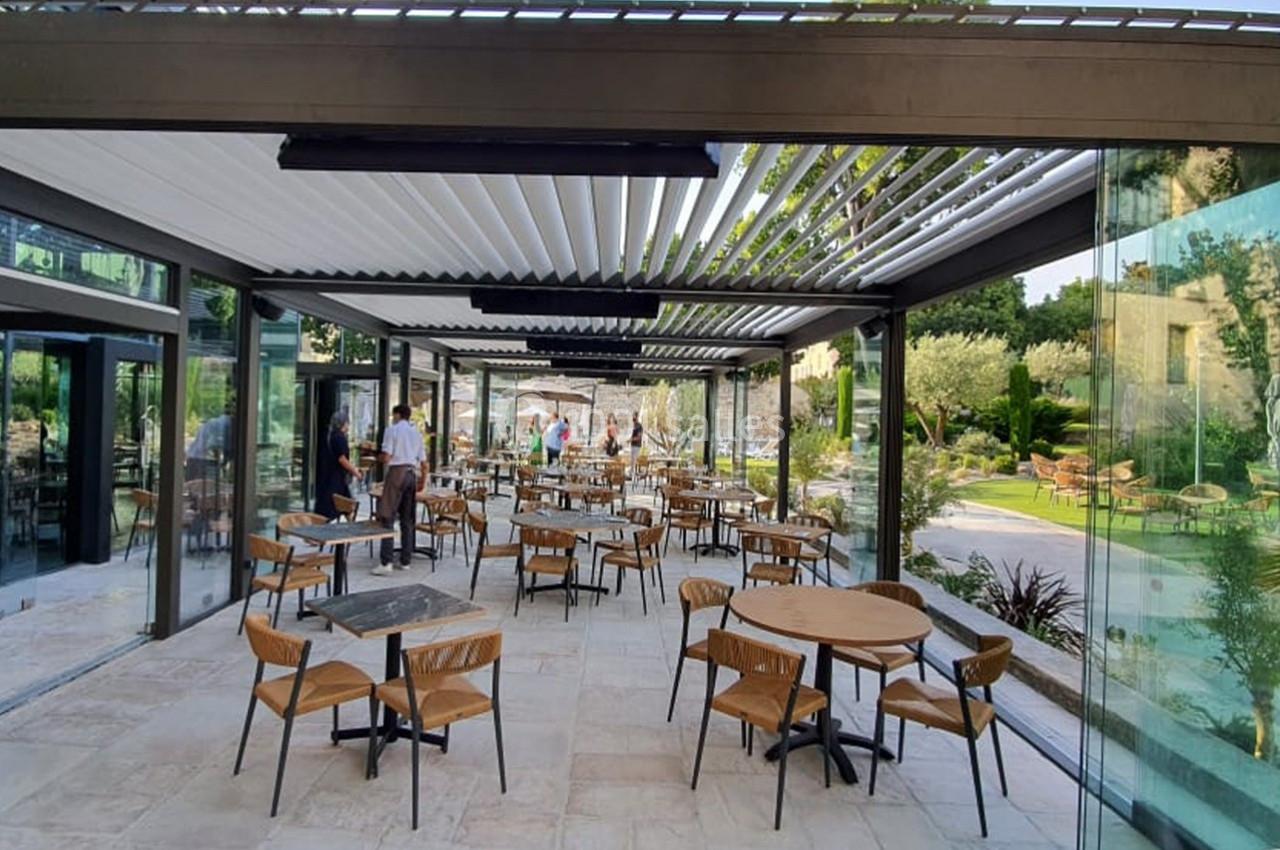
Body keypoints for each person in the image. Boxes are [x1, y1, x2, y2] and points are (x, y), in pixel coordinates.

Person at [373, 403, 427, 576]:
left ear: (397, 415)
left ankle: (386, 562)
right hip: (412, 474)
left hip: (397, 473)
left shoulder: (392, 430)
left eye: (393, 415)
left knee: (387, 515)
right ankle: (406, 560)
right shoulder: (416, 433)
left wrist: (377, 456)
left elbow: (387, 457)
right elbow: (424, 462)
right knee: (407, 518)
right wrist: (422, 482)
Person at [314, 410, 363, 520]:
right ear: (344, 424)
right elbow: (342, 459)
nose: (348, 426)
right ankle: (350, 528)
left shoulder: (329, 435)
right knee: (340, 505)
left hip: (329, 475)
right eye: (347, 423)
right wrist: (355, 472)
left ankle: (350, 527)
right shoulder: (339, 438)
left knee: (345, 506)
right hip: (336, 479)